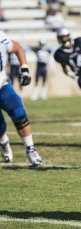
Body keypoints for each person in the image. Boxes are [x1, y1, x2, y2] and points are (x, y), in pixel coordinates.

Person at [0, 31, 42, 166]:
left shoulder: (1, 38)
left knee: (19, 113)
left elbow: (17, 47)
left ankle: (31, 149)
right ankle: (3, 141)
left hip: (2, 86)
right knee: (0, 127)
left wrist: (24, 68)